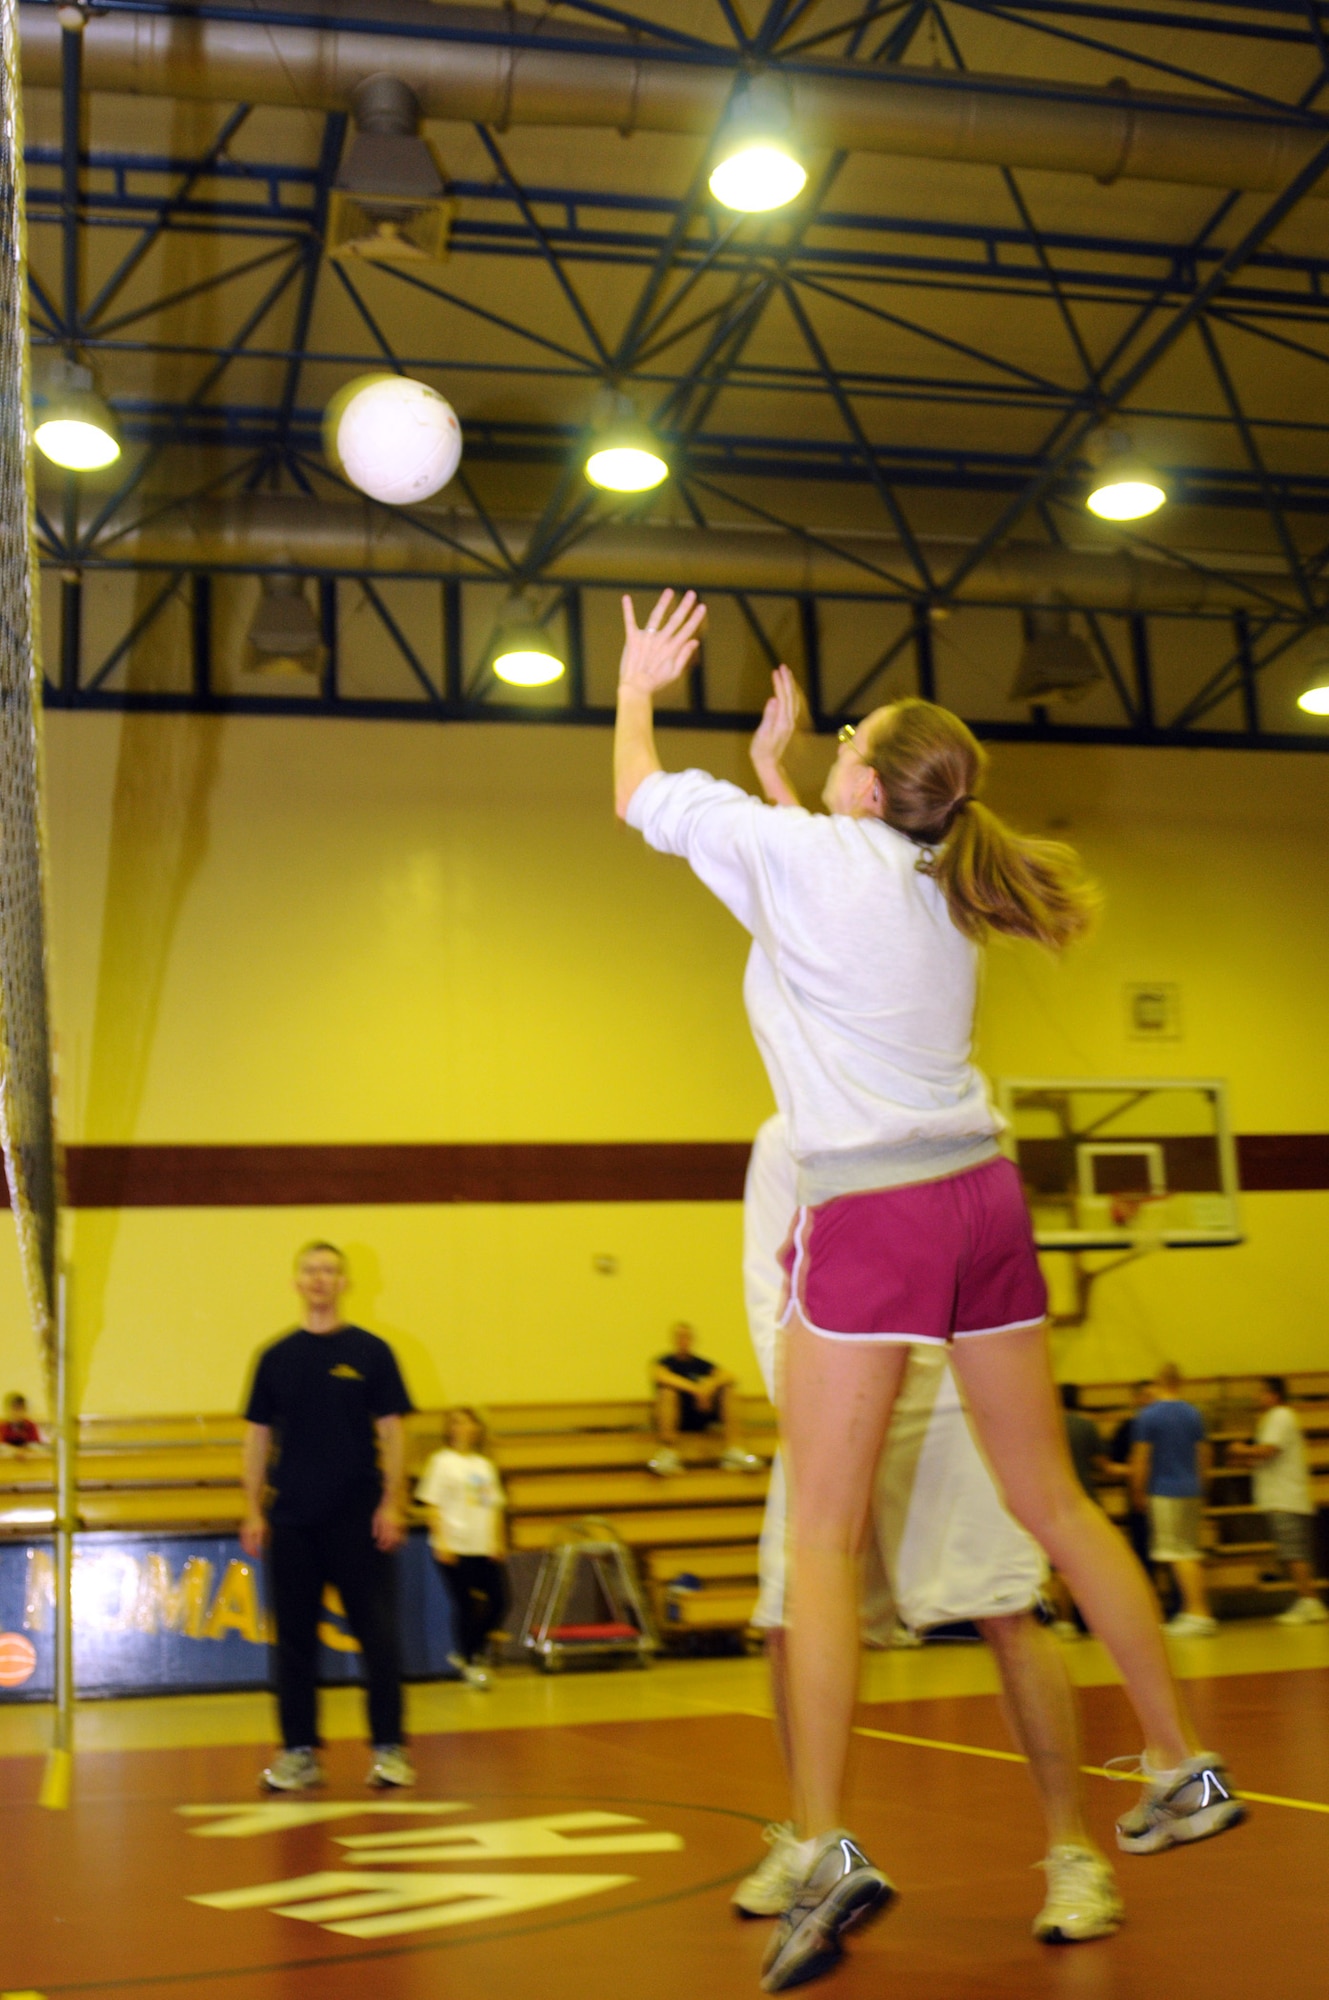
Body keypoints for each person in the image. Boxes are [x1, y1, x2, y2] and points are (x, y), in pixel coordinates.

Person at [613, 595, 1243, 1994]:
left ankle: (827, 1839)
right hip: (984, 1200)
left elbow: (634, 794)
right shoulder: (935, 878)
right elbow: (803, 881)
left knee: (827, 1544)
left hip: (877, 1215)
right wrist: (783, 771)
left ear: (864, 776)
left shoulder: (813, 859)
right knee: (1058, 1505)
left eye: (847, 737)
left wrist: (639, 684)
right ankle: (1180, 1762)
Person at [735, 1115, 1122, 1945]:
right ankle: (812, 1841)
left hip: (951, 1390)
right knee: (785, 1619)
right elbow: (769, 1286)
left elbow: (996, 1276)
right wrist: (808, 1417)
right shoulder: (786, 1137)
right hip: (831, 1394)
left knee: (1008, 1609)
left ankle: (1073, 1851)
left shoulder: (968, 1130)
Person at [241, 1241, 416, 1792]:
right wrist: (251, 1508)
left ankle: (389, 1750)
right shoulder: (274, 1357)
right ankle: (298, 1752)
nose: (320, 1279)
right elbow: (256, 1438)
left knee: (378, 1638)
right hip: (291, 1520)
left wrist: (392, 1502)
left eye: (330, 1271)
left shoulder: (372, 1352)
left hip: (358, 1520)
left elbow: (392, 1432)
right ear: (297, 1282)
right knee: (293, 1642)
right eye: (311, 1271)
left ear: (343, 1283)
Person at [417, 1406, 511, 1686]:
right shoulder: (441, 1461)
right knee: (466, 1605)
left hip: (482, 1544)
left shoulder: (483, 1465)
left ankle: (468, 1651)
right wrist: (442, 1541)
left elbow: (491, 1505)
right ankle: (471, 1661)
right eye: (456, 1423)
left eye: (468, 1422)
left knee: (499, 1602)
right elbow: (432, 1504)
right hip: (455, 1544)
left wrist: (497, 1540)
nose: (463, 1428)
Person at [1228, 1377, 1326, 1626]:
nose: (1256, 1397)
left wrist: (1240, 1450)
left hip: (1286, 1498)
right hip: (1281, 1497)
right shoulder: (1272, 1420)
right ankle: (1306, 1599)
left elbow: (1267, 1450)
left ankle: (1310, 1601)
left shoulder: (1281, 1416)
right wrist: (1243, 1458)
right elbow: (1265, 1457)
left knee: (1294, 1553)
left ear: (1274, 1395)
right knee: (1291, 1552)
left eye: (1260, 1392)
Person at [1130, 1364, 1216, 1639]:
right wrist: (1202, 1485)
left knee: (1178, 1553)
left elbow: (1141, 1458)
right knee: (1189, 1549)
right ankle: (1193, 1611)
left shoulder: (1148, 1415)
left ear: (1157, 1381)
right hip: (1191, 1488)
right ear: (1180, 1382)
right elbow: (1204, 1453)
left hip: (1164, 1490)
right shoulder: (1193, 1413)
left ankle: (1198, 1613)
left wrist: (1138, 1492)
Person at [650, 1321, 760, 1475]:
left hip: (701, 1412)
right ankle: (668, 1453)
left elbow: (729, 1376)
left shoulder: (701, 1364)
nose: (684, 1340)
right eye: (680, 1336)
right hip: (677, 1417)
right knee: (668, 1392)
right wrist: (696, 1389)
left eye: (687, 1337)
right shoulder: (665, 1362)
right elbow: (661, 1377)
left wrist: (709, 1385)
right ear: (674, 1339)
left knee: (728, 1390)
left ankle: (734, 1450)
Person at [1047, 1384, 1109, 1638]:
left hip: (1055, 1501)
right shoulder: (1086, 1425)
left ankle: (1064, 1620)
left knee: (1060, 1567)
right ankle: (1096, 1620)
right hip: (1087, 1500)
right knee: (1090, 1566)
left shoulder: (1047, 1425)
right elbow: (1102, 1465)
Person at [1108, 1382, 1158, 1579]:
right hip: (1139, 1497)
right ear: (1136, 1399)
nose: (1151, 1401)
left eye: (1154, 1396)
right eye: (1146, 1396)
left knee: (1170, 1554)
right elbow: (1113, 1465)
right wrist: (1137, 1472)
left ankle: (1177, 1604)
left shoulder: (1164, 1425)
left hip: (1163, 1493)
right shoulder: (1127, 1428)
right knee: (1142, 1552)